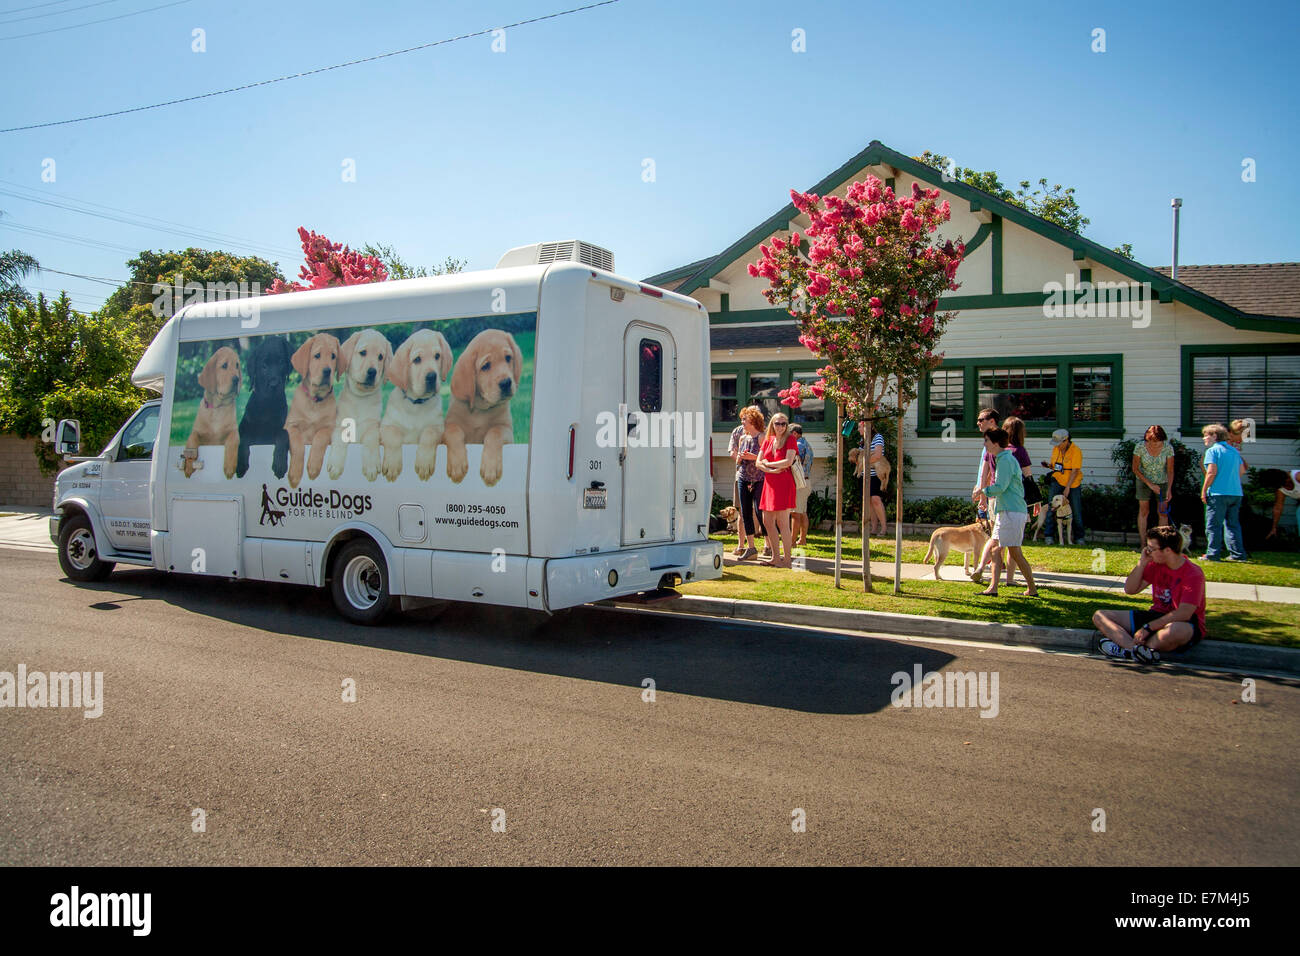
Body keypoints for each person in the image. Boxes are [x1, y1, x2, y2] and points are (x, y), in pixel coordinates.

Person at [1092, 525, 1207, 664]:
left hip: (1183, 622)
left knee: (1176, 630)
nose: (1148, 551)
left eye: (1152, 549)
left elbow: (1184, 613)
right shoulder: (1155, 564)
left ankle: (1129, 650)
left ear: (1168, 550)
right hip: (1156, 615)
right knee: (1100, 616)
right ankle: (1136, 651)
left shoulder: (1192, 573)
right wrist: (1142, 563)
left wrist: (1148, 628)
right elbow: (1130, 589)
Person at [974, 428, 1037, 597]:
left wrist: (982, 491)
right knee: (997, 549)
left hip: (1012, 511)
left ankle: (1031, 588)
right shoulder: (1002, 458)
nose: (984, 444)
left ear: (995, 443)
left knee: (1014, 552)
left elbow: (1001, 487)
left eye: (986, 440)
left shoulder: (1005, 460)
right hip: (1007, 511)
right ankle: (993, 588)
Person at [756, 412, 799, 568]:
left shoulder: (790, 439)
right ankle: (775, 558)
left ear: (786, 425)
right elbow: (758, 462)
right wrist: (768, 467)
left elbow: (788, 461)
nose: (780, 426)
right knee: (767, 522)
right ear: (772, 425)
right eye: (777, 423)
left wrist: (769, 465)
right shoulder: (768, 440)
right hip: (769, 483)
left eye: (783, 424)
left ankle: (787, 560)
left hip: (784, 484)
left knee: (782, 522)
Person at [1200, 423, 1247, 562]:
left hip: (1218, 493)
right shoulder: (1233, 451)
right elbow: (1242, 470)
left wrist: (1204, 491)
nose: (1204, 438)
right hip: (1236, 493)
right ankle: (1238, 555)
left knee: (1213, 525)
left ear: (1214, 436)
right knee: (1232, 525)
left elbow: (1211, 472)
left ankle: (1213, 554)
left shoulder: (1212, 451)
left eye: (1206, 435)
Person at [732, 406, 767, 560]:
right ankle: (751, 548)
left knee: (761, 512)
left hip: (760, 478)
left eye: (745, 419)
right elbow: (739, 460)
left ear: (753, 420)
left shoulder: (761, 437)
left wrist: (753, 457)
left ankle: (770, 545)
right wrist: (740, 457)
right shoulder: (742, 438)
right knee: (745, 512)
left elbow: (767, 458)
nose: (742, 422)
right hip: (743, 476)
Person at [1132, 425, 1175, 544]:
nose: (1154, 444)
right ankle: (1143, 544)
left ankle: (1161, 544)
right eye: (1151, 442)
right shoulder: (1140, 447)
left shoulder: (1168, 448)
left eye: (1158, 442)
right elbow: (1135, 469)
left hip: (1163, 481)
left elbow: (1170, 470)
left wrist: (1169, 489)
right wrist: (1150, 484)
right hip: (1143, 481)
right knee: (1144, 511)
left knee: (1162, 512)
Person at [1042, 428, 1084, 545]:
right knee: (1051, 507)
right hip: (1058, 480)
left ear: (1066, 440)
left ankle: (1079, 537)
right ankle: (1049, 536)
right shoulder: (1056, 449)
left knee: (1076, 510)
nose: (1057, 446)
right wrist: (1049, 466)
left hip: (1073, 483)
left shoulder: (1076, 451)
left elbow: (1075, 471)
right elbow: (1057, 467)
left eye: (1059, 443)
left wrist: (1068, 487)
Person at [858, 421, 887, 535]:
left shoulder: (878, 437)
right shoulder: (862, 441)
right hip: (864, 474)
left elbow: (878, 455)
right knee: (869, 502)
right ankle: (874, 528)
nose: (858, 430)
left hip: (876, 475)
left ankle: (884, 528)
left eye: (860, 427)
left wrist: (864, 460)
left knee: (876, 499)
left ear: (866, 428)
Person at [789, 423, 814, 548]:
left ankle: (792, 543)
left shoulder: (797, 445)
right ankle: (802, 539)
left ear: (794, 434)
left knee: (795, 514)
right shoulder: (807, 444)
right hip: (807, 481)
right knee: (803, 512)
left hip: (799, 483)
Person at [1260, 468, 1300, 542]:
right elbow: (1278, 507)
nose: (1286, 486)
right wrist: (1274, 527)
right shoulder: (1280, 489)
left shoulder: (1297, 476)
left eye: (1287, 482)